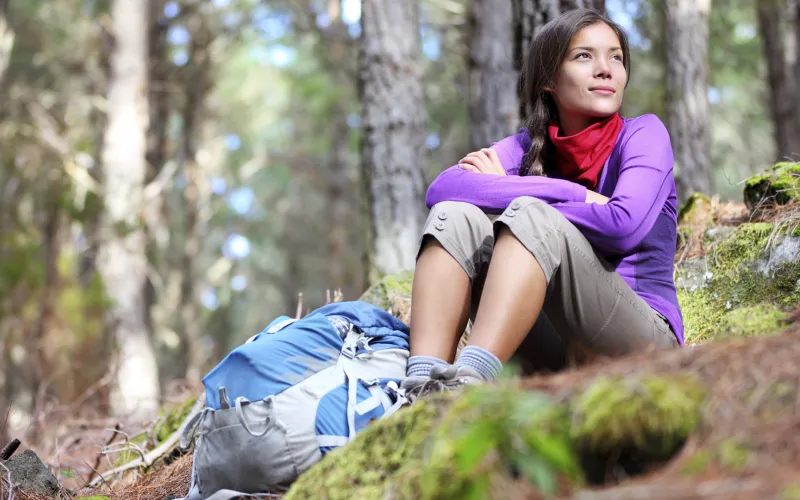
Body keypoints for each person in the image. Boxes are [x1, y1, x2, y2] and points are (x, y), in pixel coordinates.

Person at [401, 8, 683, 397]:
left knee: (531, 216)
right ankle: (422, 388)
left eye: (616, 57)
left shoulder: (644, 134)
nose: (606, 69)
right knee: (456, 217)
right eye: (584, 56)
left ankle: (469, 384)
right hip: (554, 348)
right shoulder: (527, 147)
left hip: (641, 344)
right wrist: (575, 193)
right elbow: (443, 189)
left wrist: (519, 195)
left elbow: (623, 226)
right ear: (549, 78)